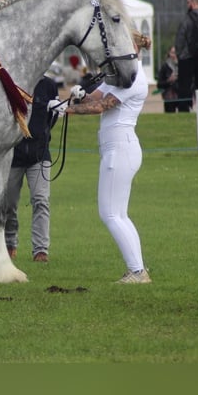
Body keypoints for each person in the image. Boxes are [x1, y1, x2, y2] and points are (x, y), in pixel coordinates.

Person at [65, 31, 152, 284]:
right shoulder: (119, 74)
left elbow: (103, 106)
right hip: (115, 147)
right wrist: (80, 95)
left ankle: (137, 271)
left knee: (110, 214)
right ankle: (137, 270)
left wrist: (66, 109)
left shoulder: (133, 78)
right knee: (119, 214)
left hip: (121, 148)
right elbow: (96, 97)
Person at [4, 74, 66, 263]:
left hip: (39, 154)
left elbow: (51, 119)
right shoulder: (13, 81)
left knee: (41, 200)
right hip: (13, 154)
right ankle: (9, 242)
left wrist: (44, 130)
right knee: (9, 204)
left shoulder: (48, 85)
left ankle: (40, 250)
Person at [156, 46, 180, 113]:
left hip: (181, 95)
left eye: (176, 53)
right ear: (169, 53)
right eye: (172, 53)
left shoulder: (182, 65)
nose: (174, 55)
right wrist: (169, 81)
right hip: (169, 97)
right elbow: (159, 84)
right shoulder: (165, 66)